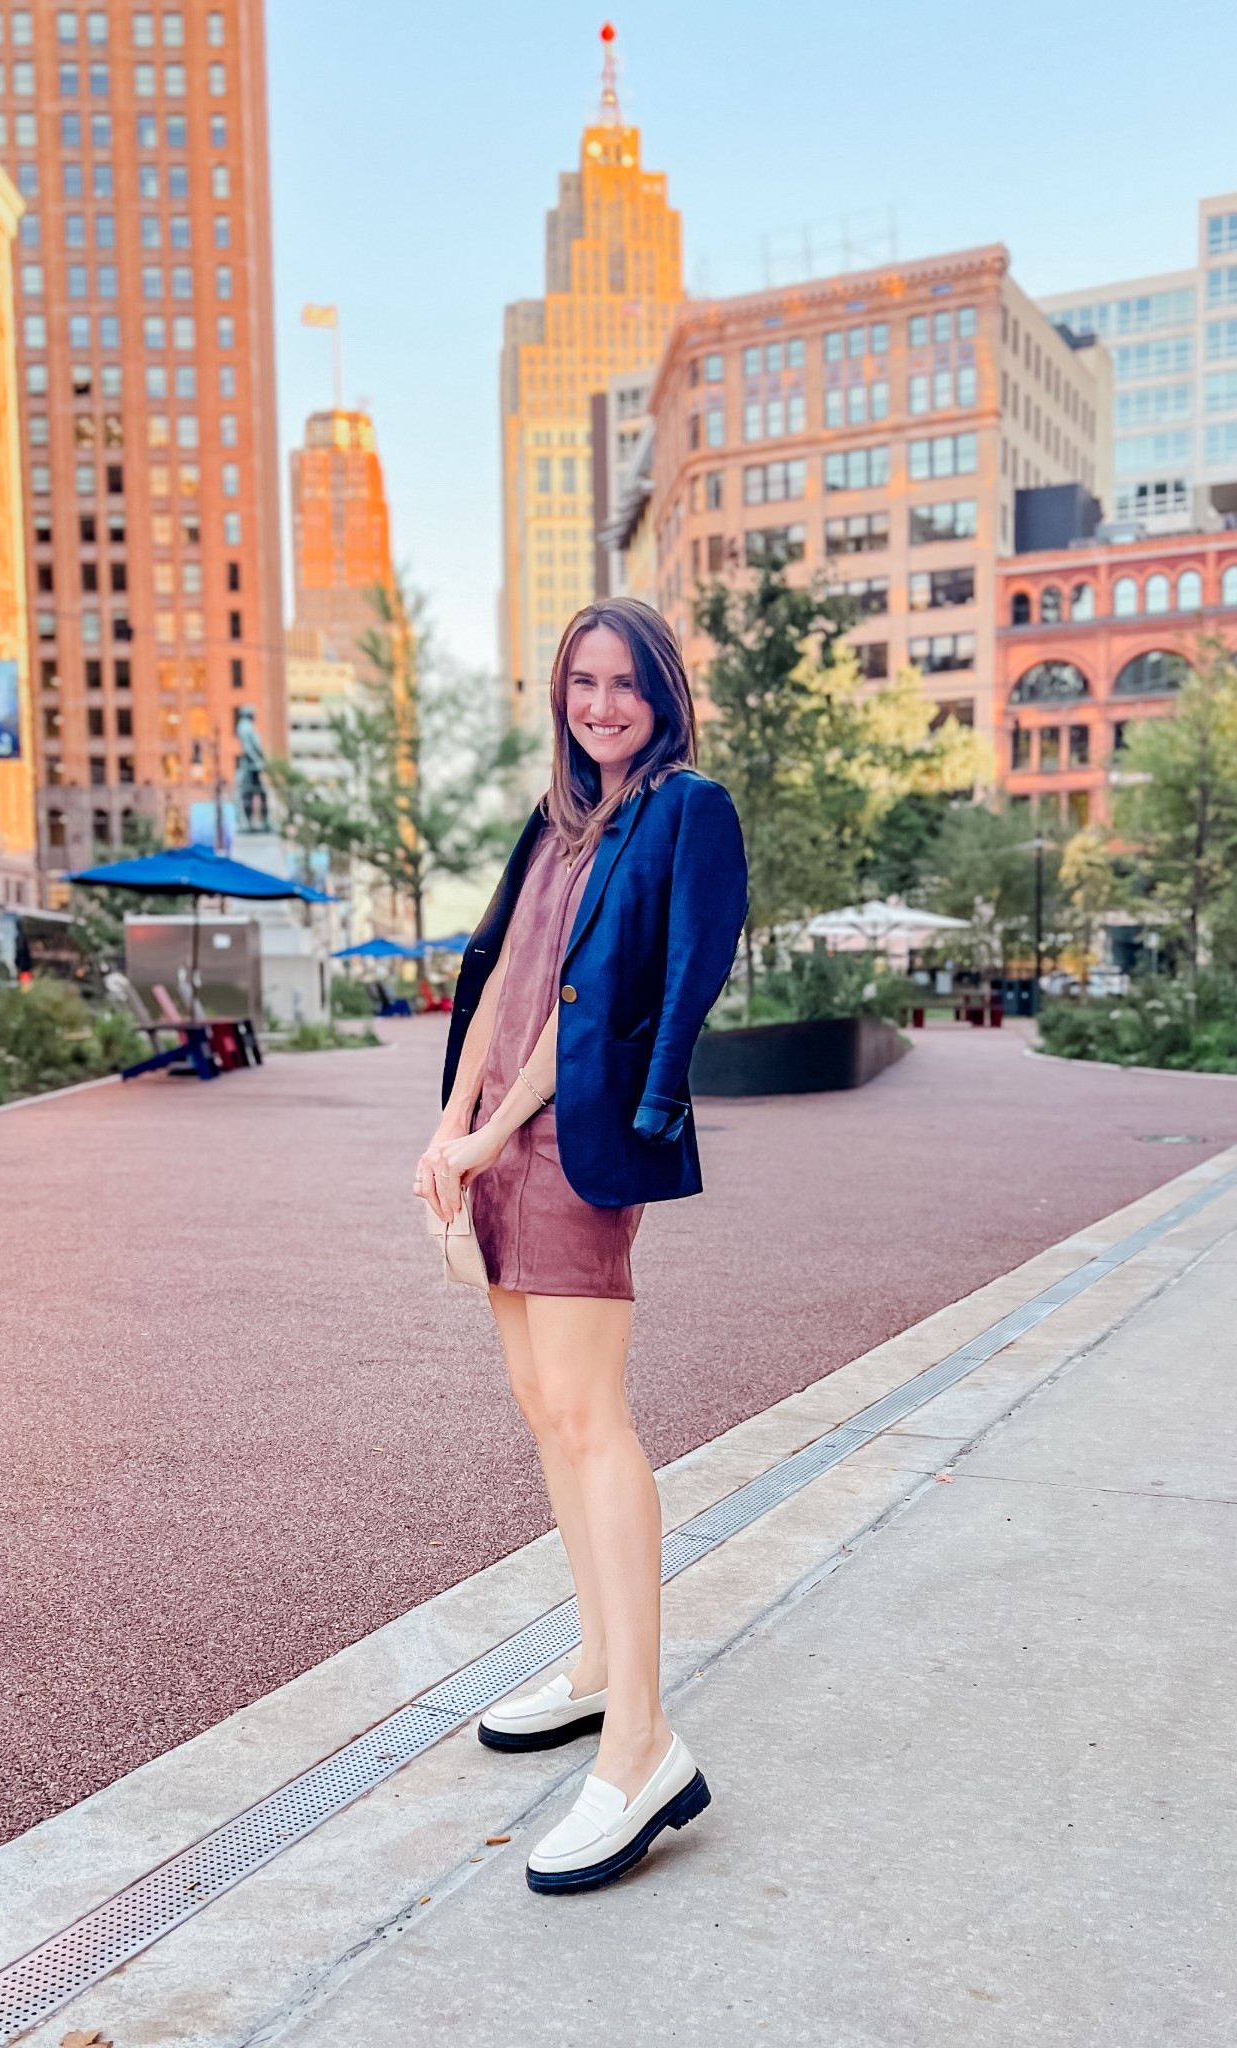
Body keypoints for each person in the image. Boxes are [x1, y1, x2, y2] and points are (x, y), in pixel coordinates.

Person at [415, 597, 748, 1895]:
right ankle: (601, 1661)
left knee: (593, 1415)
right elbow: (503, 982)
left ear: (662, 692)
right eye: (581, 682)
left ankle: (643, 1743)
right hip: (499, 1136)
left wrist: (496, 1134)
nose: (601, 704)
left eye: (625, 683)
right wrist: (446, 1130)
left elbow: (618, 998)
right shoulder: (557, 825)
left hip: (574, 1140)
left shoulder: (680, 810)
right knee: (544, 1408)